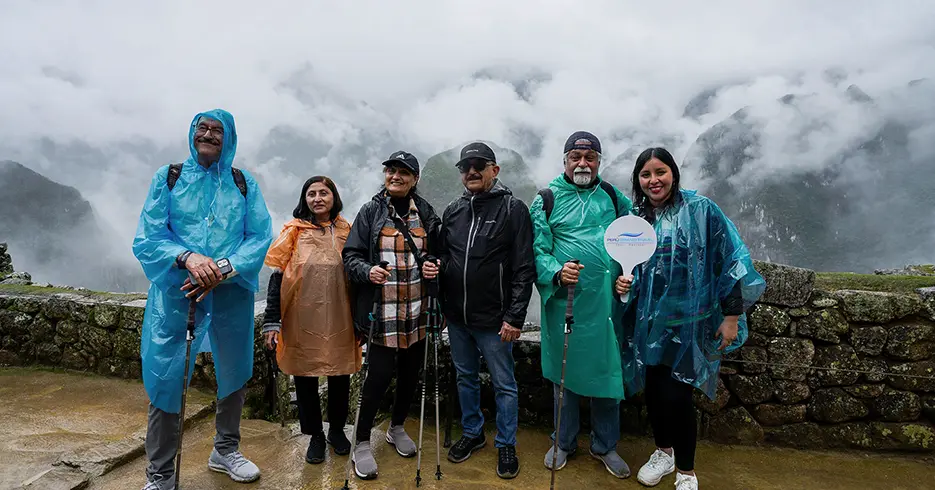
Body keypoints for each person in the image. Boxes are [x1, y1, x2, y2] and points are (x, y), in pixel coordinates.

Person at [132, 109, 273, 490]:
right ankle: (159, 474)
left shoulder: (244, 184)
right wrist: (188, 259)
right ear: (192, 133)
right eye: (202, 128)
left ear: (229, 139)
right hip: (178, 294)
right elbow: (148, 237)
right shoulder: (169, 177)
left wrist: (222, 268)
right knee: (167, 377)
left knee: (234, 370)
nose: (208, 135)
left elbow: (259, 237)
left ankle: (225, 449)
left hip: (229, 294)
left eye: (217, 130)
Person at [622, 148, 765, 490]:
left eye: (660, 172)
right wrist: (623, 283)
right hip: (650, 322)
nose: (653, 180)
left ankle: (686, 470)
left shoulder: (701, 211)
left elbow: (728, 261)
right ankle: (663, 452)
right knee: (654, 392)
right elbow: (636, 269)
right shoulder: (637, 219)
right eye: (645, 175)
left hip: (691, 322)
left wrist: (731, 316)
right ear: (637, 181)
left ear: (673, 173)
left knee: (679, 395)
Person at [421, 142, 535, 479]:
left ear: (494, 170)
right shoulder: (454, 210)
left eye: (479, 165)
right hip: (457, 317)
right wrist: (435, 268)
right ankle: (473, 433)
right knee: (465, 377)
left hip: (495, 320)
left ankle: (506, 443)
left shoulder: (513, 209)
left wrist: (514, 317)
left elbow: (523, 267)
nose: (471, 171)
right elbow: (443, 255)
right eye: (465, 167)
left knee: (504, 384)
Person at [530, 131, 633, 479]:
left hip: (605, 305)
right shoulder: (545, 199)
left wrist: (627, 277)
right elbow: (537, 251)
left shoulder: (613, 198)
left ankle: (606, 445)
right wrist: (557, 272)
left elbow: (632, 241)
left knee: (607, 372)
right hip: (565, 303)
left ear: (599, 162)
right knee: (565, 377)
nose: (583, 163)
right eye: (576, 157)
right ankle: (563, 441)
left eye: (590, 158)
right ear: (565, 161)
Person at [341, 150, 441, 480]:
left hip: (417, 310)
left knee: (411, 374)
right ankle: (362, 441)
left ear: (415, 179)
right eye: (390, 170)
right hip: (381, 313)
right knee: (378, 378)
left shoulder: (425, 213)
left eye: (403, 172)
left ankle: (396, 427)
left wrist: (433, 265)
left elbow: (438, 255)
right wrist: (368, 271)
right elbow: (351, 256)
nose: (395, 176)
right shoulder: (371, 212)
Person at [260, 176, 361, 464]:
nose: (317, 198)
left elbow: (357, 273)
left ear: (334, 197)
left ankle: (337, 431)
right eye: (311, 194)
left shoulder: (347, 230)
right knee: (304, 376)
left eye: (323, 193)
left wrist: (363, 319)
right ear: (305, 199)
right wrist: (272, 321)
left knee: (340, 374)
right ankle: (315, 435)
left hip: (341, 315)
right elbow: (277, 277)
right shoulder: (293, 232)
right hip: (301, 316)